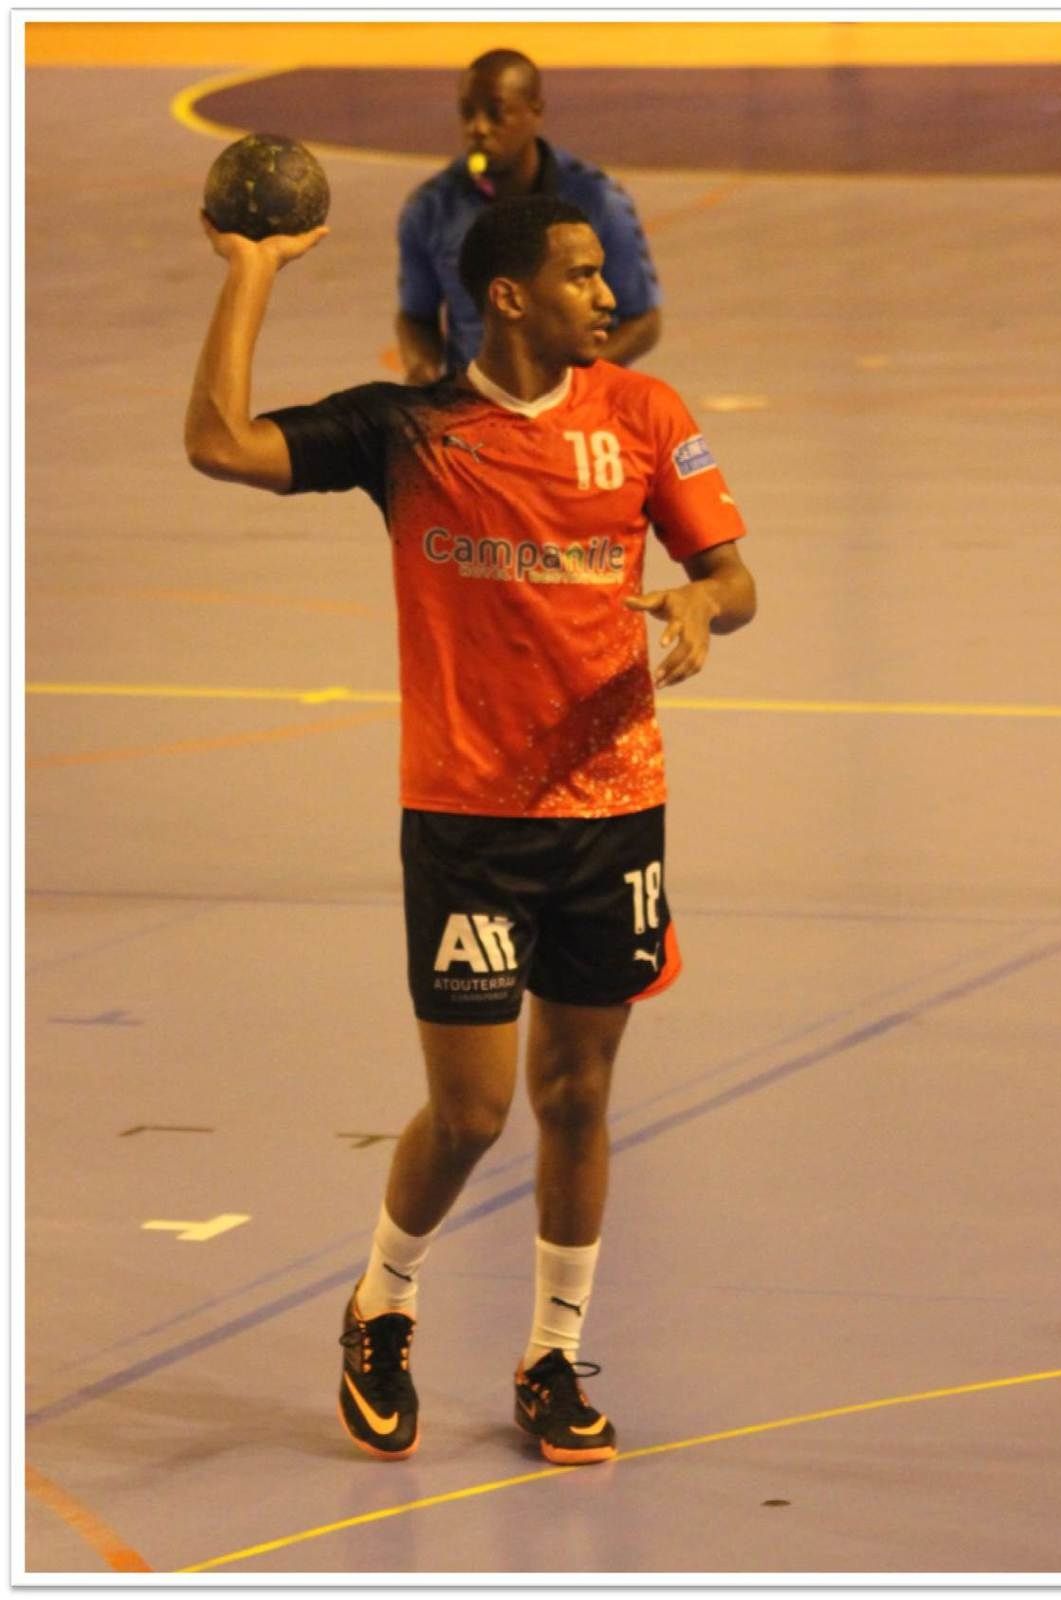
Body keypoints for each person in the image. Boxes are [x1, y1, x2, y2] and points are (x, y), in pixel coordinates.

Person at [185, 193, 756, 1467]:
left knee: (578, 1094)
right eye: (580, 275)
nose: (607, 296)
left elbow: (734, 576)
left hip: (612, 809)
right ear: (507, 296)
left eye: (603, 275)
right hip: (467, 820)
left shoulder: (643, 415)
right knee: (472, 1112)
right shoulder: (409, 431)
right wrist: (251, 268)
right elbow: (219, 441)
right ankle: (381, 1304)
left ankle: (552, 1354)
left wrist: (698, 605)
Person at [395, 48, 661, 383]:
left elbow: (643, 322)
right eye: (467, 113)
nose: (478, 128)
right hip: (474, 400)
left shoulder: (598, 201)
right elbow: (416, 317)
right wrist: (422, 372)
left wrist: (574, 383)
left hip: (576, 403)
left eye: (496, 113)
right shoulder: (430, 209)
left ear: (535, 112)